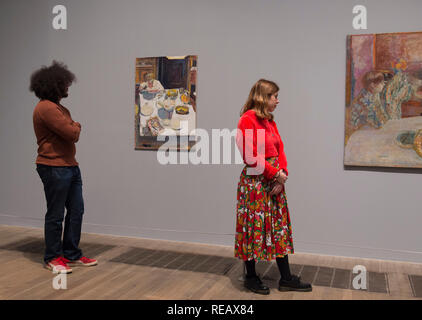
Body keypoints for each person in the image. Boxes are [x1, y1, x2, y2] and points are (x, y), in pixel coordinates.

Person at [235, 79, 312, 294]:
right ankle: (250, 277)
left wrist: (282, 173)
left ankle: (286, 278)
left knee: (278, 229)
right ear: (263, 97)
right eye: (274, 96)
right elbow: (250, 156)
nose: (277, 100)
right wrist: (275, 174)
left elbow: (280, 150)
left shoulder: (269, 120)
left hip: (275, 181)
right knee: (253, 229)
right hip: (256, 183)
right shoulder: (247, 120)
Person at [30, 61, 98, 274]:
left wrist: (72, 125)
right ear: (55, 85)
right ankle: (52, 257)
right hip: (53, 167)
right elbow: (72, 134)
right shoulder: (46, 108)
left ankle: (71, 253)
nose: (68, 87)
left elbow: (69, 131)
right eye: (65, 84)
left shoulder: (60, 108)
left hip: (69, 166)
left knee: (77, 210)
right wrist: (76, 125)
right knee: (56, 214)